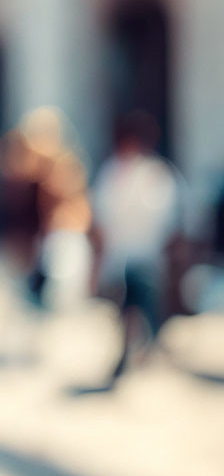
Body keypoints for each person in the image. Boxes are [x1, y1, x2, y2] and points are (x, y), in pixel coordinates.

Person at [91, 110, 184, 383]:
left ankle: (140, 355)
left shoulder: (155, 175)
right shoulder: (115, 173)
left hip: (145, 259)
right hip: (122, 260)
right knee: (126, 312)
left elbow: (170, 222)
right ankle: (130, 356)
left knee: (142, 309)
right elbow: (101, 222)